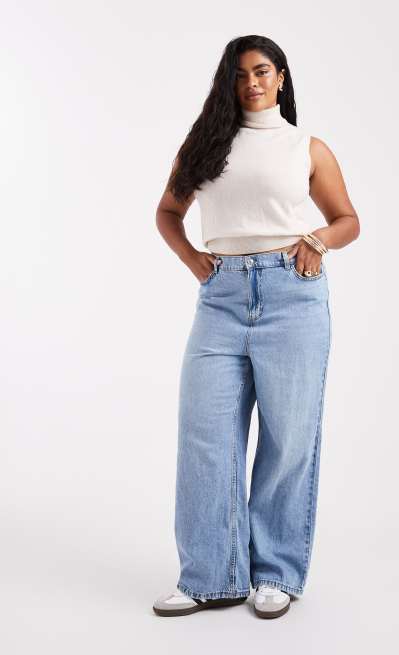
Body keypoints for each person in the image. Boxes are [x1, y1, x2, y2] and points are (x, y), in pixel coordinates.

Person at [152, 35, 360, 620]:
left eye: (262, 71)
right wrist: (194, 260)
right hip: (220, 299)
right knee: (205, 436)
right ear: (229, 81)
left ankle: (275, 573)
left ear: (281, 77)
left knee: (288, 438)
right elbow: (168, 212)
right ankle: (211, 576)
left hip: (292, 296)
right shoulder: (204, 145)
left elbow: (347, 219)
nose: (252, 83)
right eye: (241, 74)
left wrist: (318, 240)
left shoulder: (305, 148)